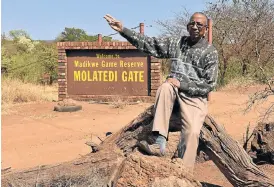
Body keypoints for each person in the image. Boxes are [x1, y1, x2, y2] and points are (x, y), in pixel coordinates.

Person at [104, 12, 219, 172]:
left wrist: (182, 84)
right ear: (187, 27)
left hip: (194, 97)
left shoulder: (210, 52)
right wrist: (123, 30)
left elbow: (209, 84)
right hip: (172, 92)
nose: (194, 27)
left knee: (192, 132)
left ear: (205, 29)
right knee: (165, 87)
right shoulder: (177, 43)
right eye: (191, 24)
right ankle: (159, 142)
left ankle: (183, 171)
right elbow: (150, 44)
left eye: (199, 25)